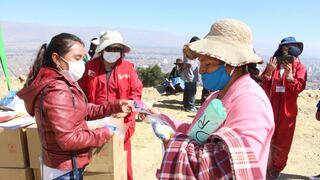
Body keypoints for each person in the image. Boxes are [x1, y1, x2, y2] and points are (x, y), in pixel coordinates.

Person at [147, 19, 275, 179]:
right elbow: (197, 130)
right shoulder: (217, 95)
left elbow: (232, 166)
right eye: (200, 63)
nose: (201, 70)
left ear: (232, 64)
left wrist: (172, 144)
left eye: (208, 64)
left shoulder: (250, 102)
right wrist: (162, 119)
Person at [16, 33, 131, 180]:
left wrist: (114, 106)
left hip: (65, 165)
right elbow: (68, 139)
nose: (81, 63)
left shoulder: (62, 81)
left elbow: (81, 110)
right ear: (57, 59)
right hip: (64, 170)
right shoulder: (57, 90)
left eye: (82, 58)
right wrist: (106, 132)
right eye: (77, 58)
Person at [78, 31, 142, 180]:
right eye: (110, 48)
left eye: (117, 49)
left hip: (122, 124)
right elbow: (81, 92)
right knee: (97, 161)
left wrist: (128, 110)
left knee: (123, 160)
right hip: (96, 122)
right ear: (102, 50)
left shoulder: (128, 68)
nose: (113, 52)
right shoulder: (90, 67)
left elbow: (136, 93)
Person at [261, 37, 307, 179]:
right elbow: (264, 85)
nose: (287, 50)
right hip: (271, 108)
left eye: (290, 47)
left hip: (287, 112)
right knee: (267, 138)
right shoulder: (274, 64)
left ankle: (275, 169)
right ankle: (264, 166)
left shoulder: (300, 67)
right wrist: (268, 72)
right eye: (285, 47)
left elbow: (298, 88)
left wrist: (289, 76)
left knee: (283, 142)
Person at [181, 36, 200, 112]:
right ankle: (190, 106)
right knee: (191, 90)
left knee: (188, 89)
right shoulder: (189, 49)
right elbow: (190, 61)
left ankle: (186, 105)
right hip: (190, 72)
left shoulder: (187, 48)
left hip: (189, 72)